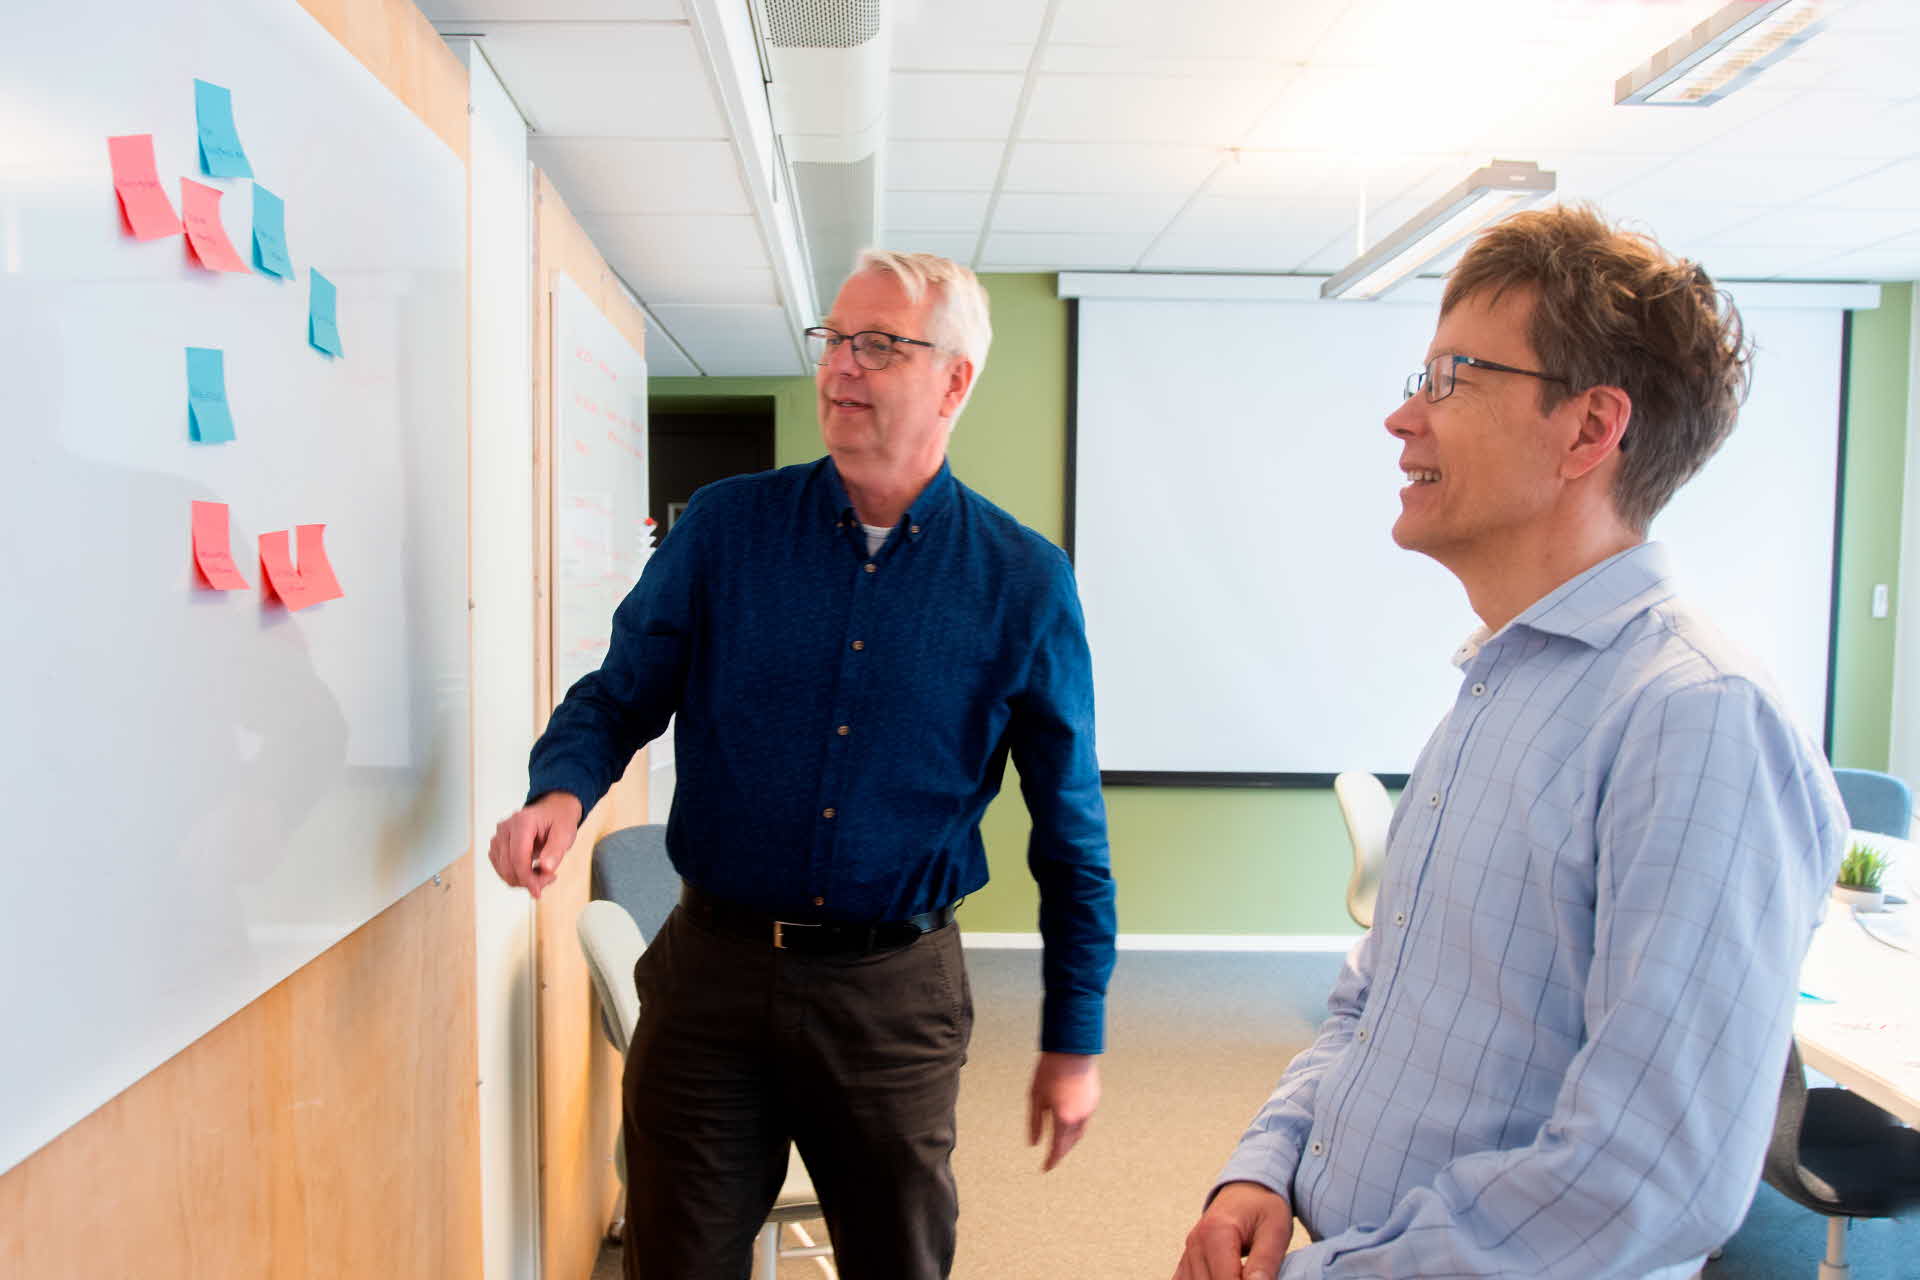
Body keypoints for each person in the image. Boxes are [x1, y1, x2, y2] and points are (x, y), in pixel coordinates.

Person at [1173, 205, 1846, 1280]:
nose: (1403, 417)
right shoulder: (1497, 686)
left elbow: (1646, 1177)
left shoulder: (1696, 715)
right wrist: (1267, 1162)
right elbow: (1376, 993)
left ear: (1588, 430)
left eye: (1450, 378)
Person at [489, 249, 1117, 1280]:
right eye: (833, 339)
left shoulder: (1021, 582)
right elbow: (621, 692)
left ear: (956, 380)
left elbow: (1071, 831)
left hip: (893, 997)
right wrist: (561, 787)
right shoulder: (730, 527)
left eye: (880, 345)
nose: (840, 367)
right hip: (710, 982)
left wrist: (1075, 1032)